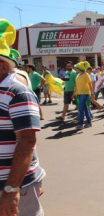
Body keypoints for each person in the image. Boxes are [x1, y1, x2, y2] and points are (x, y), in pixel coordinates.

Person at [0, 19, 45, 216]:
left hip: (14, 186)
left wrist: (11, 189)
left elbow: (27, 141)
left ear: (2, 66)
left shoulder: (17, 91)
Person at [74, 61, 93, 130]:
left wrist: (92, 93)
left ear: (80, 69)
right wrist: (74, 94)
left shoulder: (86, 74)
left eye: (77, 68)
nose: (76, 69)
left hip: (85, 93)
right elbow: (76, 86)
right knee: (85, 108)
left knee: (80, 108)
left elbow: (90, 84)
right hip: (79, 93)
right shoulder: (78, 75)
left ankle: (81, 123)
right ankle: (89, 122)